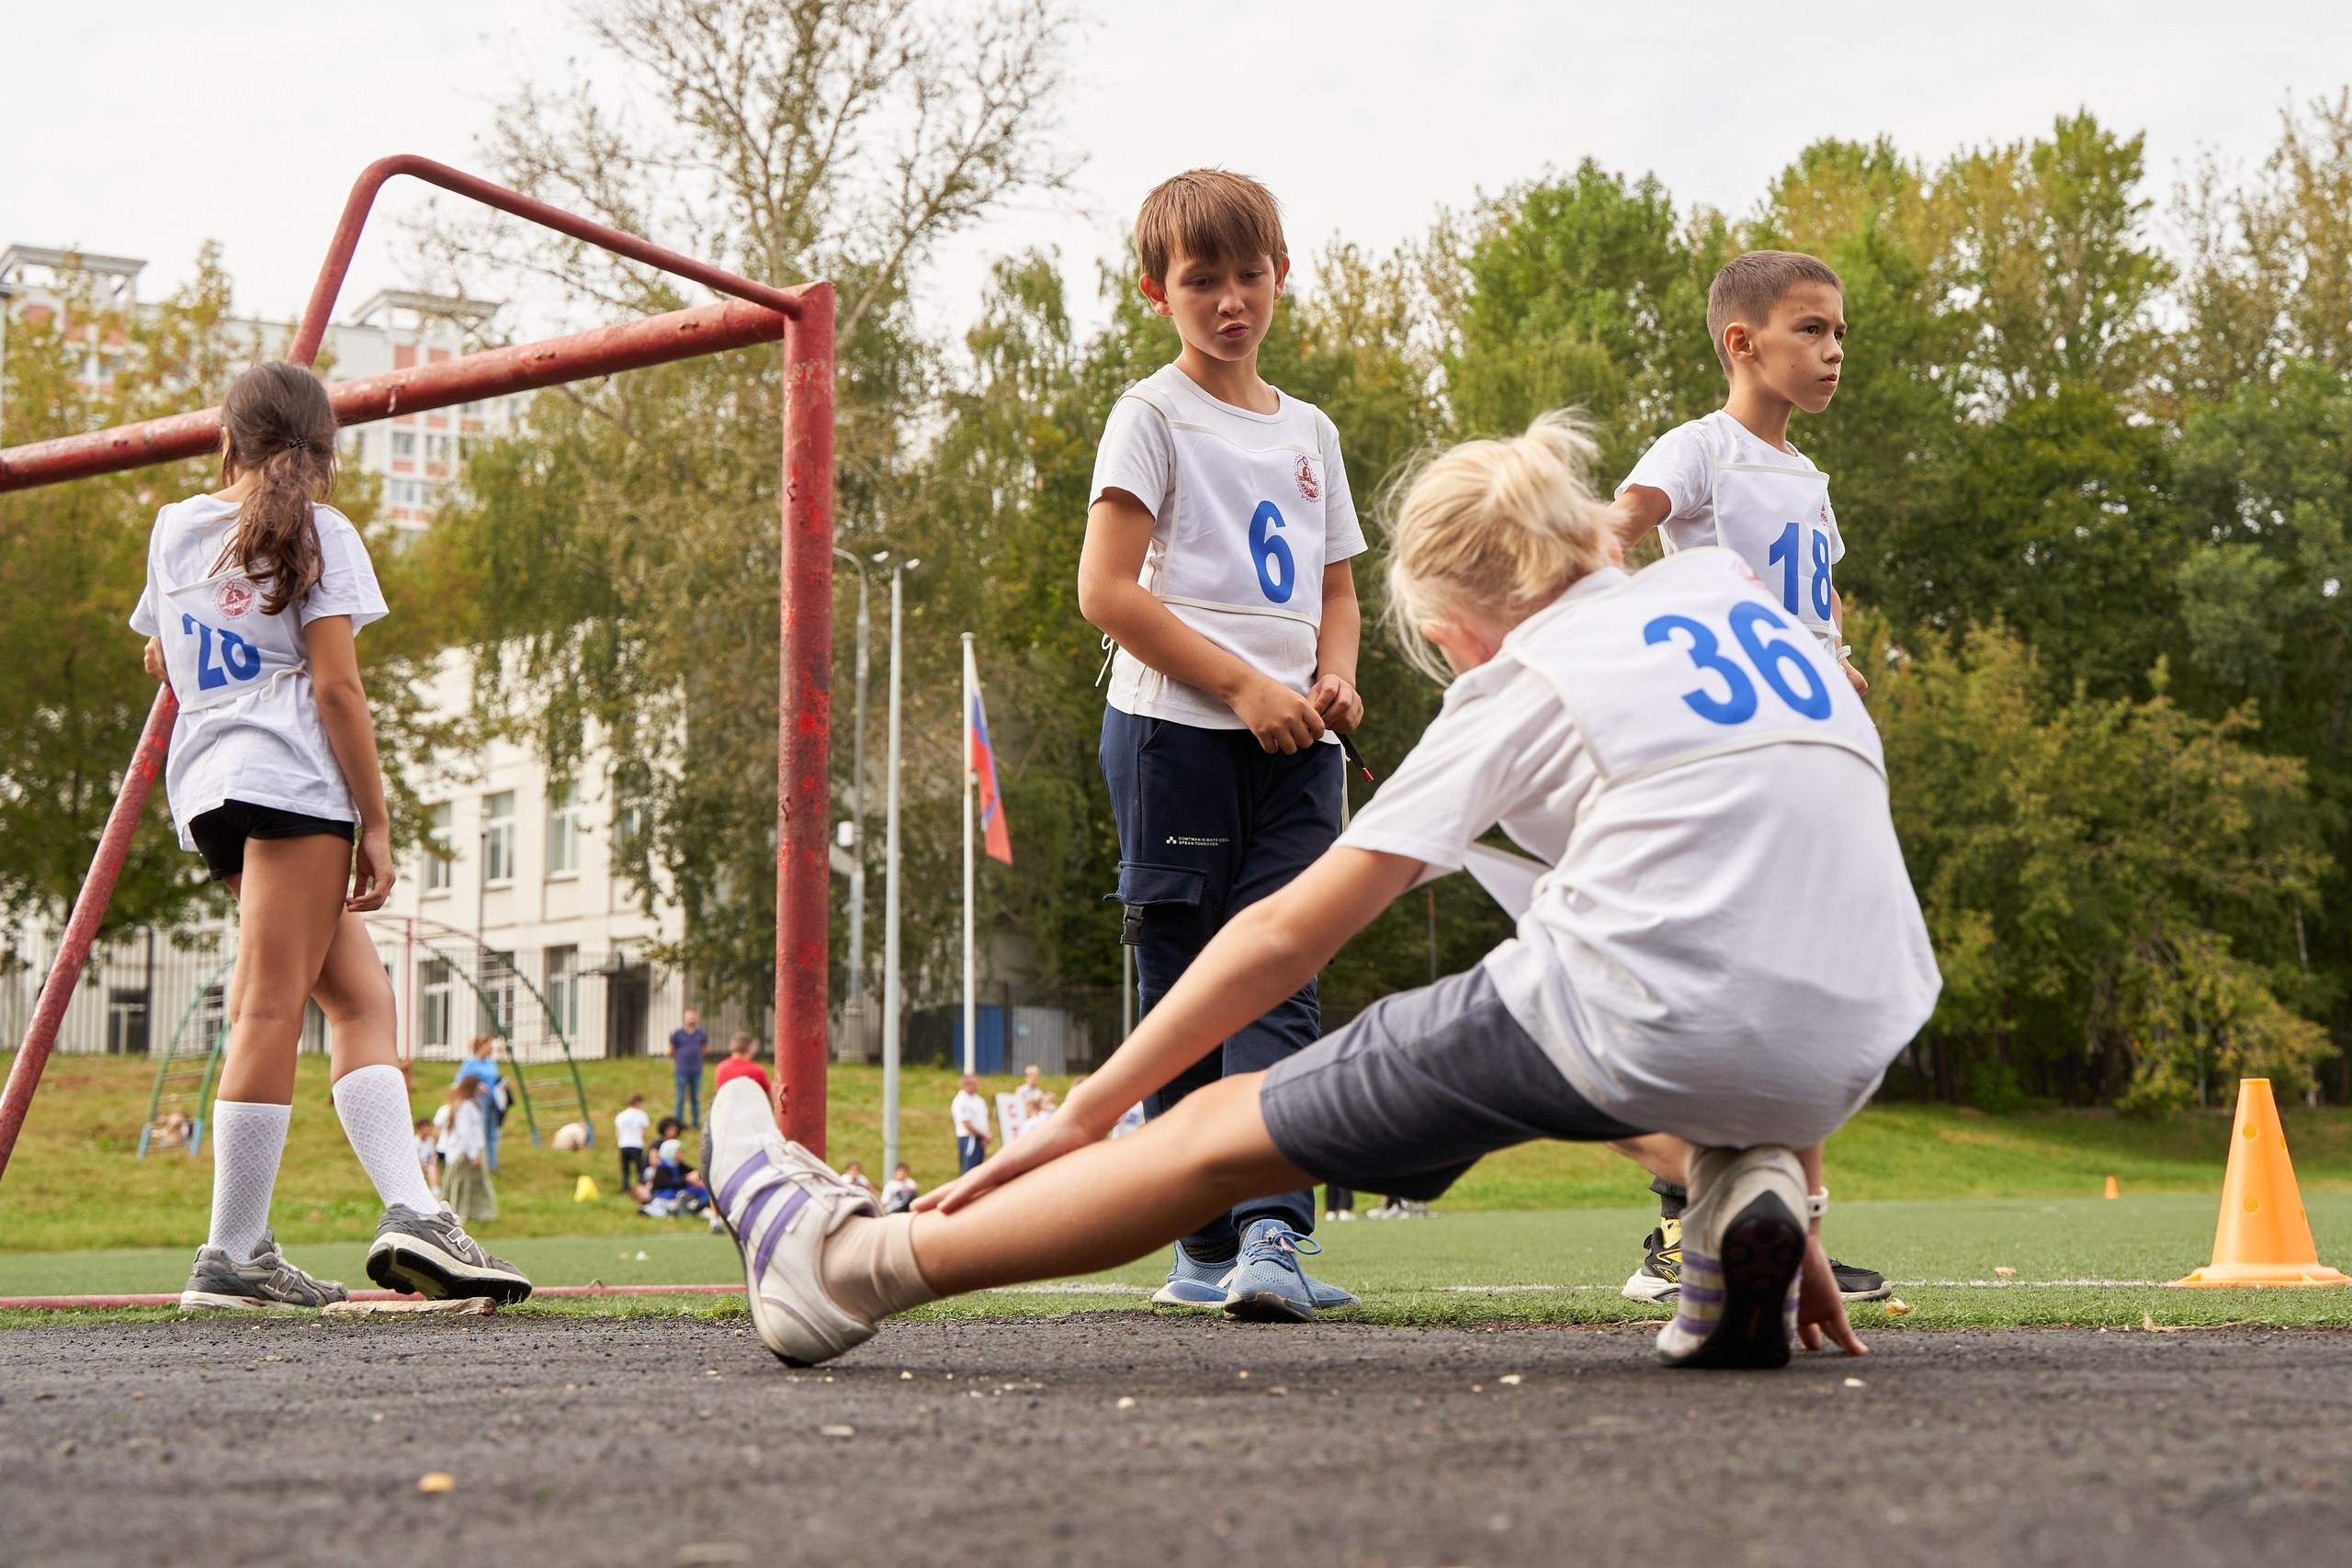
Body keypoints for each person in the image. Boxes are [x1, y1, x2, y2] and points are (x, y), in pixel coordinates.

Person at [702, 411, 1939, 1371]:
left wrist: (1089, 1110)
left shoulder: (1519, 677)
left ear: (1459, 622)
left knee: (1207, 1131)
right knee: (1609, 971)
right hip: (1858, 1032)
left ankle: (848, 1266)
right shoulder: (1732, 596)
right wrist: (1796, 1189)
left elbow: (1288, 933)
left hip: (1654, 1017)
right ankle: (1737, 1188)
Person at [137, 363, 526, 1311]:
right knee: (269, 1004)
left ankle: (411, 1206)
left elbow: (158, 653)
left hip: (212, 792)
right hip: (292, 784)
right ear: (324, 453)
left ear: (225, 441)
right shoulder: (323, 532)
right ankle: (232, 1254)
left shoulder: (175, 527)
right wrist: (379, 821)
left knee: (359, 1000)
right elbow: (337, 688)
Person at [1078, 169, 1367, 1320]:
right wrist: (1244, 684)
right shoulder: (1149, 415)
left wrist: (1330, 676)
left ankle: (1271, 1234)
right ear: (1158, 292)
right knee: (1187, 984)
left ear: (1281, 276)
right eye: (1203, 280)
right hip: (1172, 736)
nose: (1231, 299)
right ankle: (1198, 1242)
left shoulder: (1311, 430)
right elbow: (1105, 591)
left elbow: (1336, 589)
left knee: (1283, 965)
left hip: (1299, 745)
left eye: (1251, 275)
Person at [1600, 250, 1890, 1309]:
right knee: (1708, 983)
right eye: (1811, 330)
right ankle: (1679, 1239)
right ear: (1743, 343)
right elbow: (1607, 538)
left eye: (1839, 333)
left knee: (1790, 989)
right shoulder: (1702, 449)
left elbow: (1815, 603)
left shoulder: (1806, 479)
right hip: (1720, 752)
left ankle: (1783, 1228)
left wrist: (1833, 658)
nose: (1833, 351)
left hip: (1802, 757)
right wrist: (1663, 650)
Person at [438, 1077, 496, 1226]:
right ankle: (456, 1213)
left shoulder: (471, 1104)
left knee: (476, 1183)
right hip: (464, 1152)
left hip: (473, 1149)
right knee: (461, 1183)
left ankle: (478, 1213)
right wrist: (473, 1154)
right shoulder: (464, 1107)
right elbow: (466, 1132)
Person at [456, 1034, 506, 1172]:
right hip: (478, 1100)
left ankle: (492, 1165)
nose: (491, 1048)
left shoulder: (491, 1063)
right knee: (479, 1130)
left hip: (493, 1100)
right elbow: (460, 1082)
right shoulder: (470, 1064)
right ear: (481, 1046)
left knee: (492, 1132)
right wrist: (478, 1087)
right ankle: (477, 1161)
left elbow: (494, 1079)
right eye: (489, 1045)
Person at [669, 1007, 710, 1130]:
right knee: (680, 1097)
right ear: (684, 1017)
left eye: (693, 1015)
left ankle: (695, 1123)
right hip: (681, 1070)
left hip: (696, 1070)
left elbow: (704, 1050)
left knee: (695, 1098)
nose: (691, 1018)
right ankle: (678, 1123)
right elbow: (671, 1051)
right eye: (689, 1016)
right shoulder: (677, 1034)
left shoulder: (701, 1034)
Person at [950, 1074, 990, 1175]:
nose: (978, 1086)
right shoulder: (961, 1101)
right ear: (966, 1084)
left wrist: (987, 1134)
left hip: (980, 1139)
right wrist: (982, 1134)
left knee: (979, 1170)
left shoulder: (979, 1100)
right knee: (969, 1171)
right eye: (975, 1084)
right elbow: (966, 1123)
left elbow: (985, 1118)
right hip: (969, 1139)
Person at [714, 1032, 772, 1099]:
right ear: (750, 1049)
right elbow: (768, 1093)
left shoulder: (721, 1067)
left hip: (726, 1106)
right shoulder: (756, 1071)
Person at [616, 1092, 651, 1195]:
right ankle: (640, 1188)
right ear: (638, 1102)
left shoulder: (621, 1115)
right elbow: (643, 1131)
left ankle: (625, 1189)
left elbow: (618, 1132)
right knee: (641, 1168)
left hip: (623, 1144)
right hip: (636, 1144)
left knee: (625, 1169)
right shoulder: (641, 1115)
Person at [414, 1117, 442, 1200]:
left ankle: (435, 1190)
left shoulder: (430, 1141)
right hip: (419, 1165)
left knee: (432, 1167)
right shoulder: (415, 1142)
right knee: (431, 1168)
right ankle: (435, 1190)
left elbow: (433, 1155)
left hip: (429, 1163)